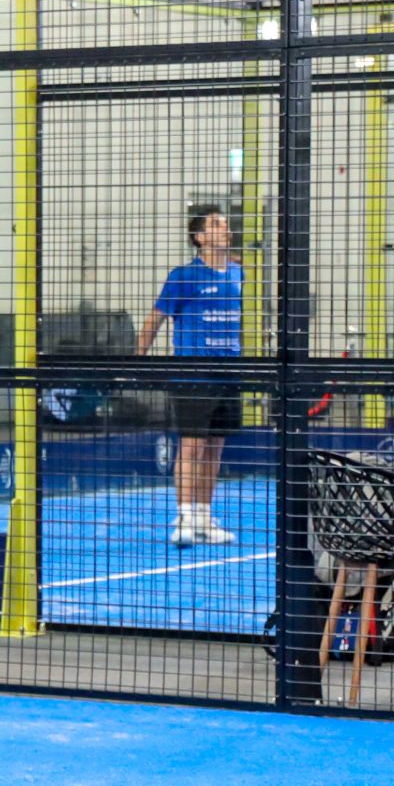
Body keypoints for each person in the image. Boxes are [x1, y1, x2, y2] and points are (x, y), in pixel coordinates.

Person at [136, 208, 244, 546]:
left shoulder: (238, 272)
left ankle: (204, 518)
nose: (225, 228)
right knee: (192, 445)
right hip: (194, 373)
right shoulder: (183, 276)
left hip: (230, 373)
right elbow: (155, 319)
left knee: (214, 448)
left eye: (226, 224)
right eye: (216, 224)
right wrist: (138, 358)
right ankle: (183, 518)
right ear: (199, 237)